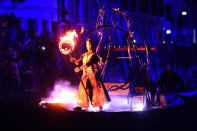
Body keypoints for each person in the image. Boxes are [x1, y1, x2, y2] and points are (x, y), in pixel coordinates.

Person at [70, 38, 110, 111]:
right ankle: (86, 106)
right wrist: (73, 60)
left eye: (91, 45)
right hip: (85, 76)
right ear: (86, 46)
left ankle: (99, 107)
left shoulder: (94, 55)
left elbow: (88, 64)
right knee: (85, 91)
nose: (90, 46)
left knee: (96, 91)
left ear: (93, 45)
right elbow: (77, 62)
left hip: (92, 76)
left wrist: (79, 69)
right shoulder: (83, 55)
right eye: (88, 45)